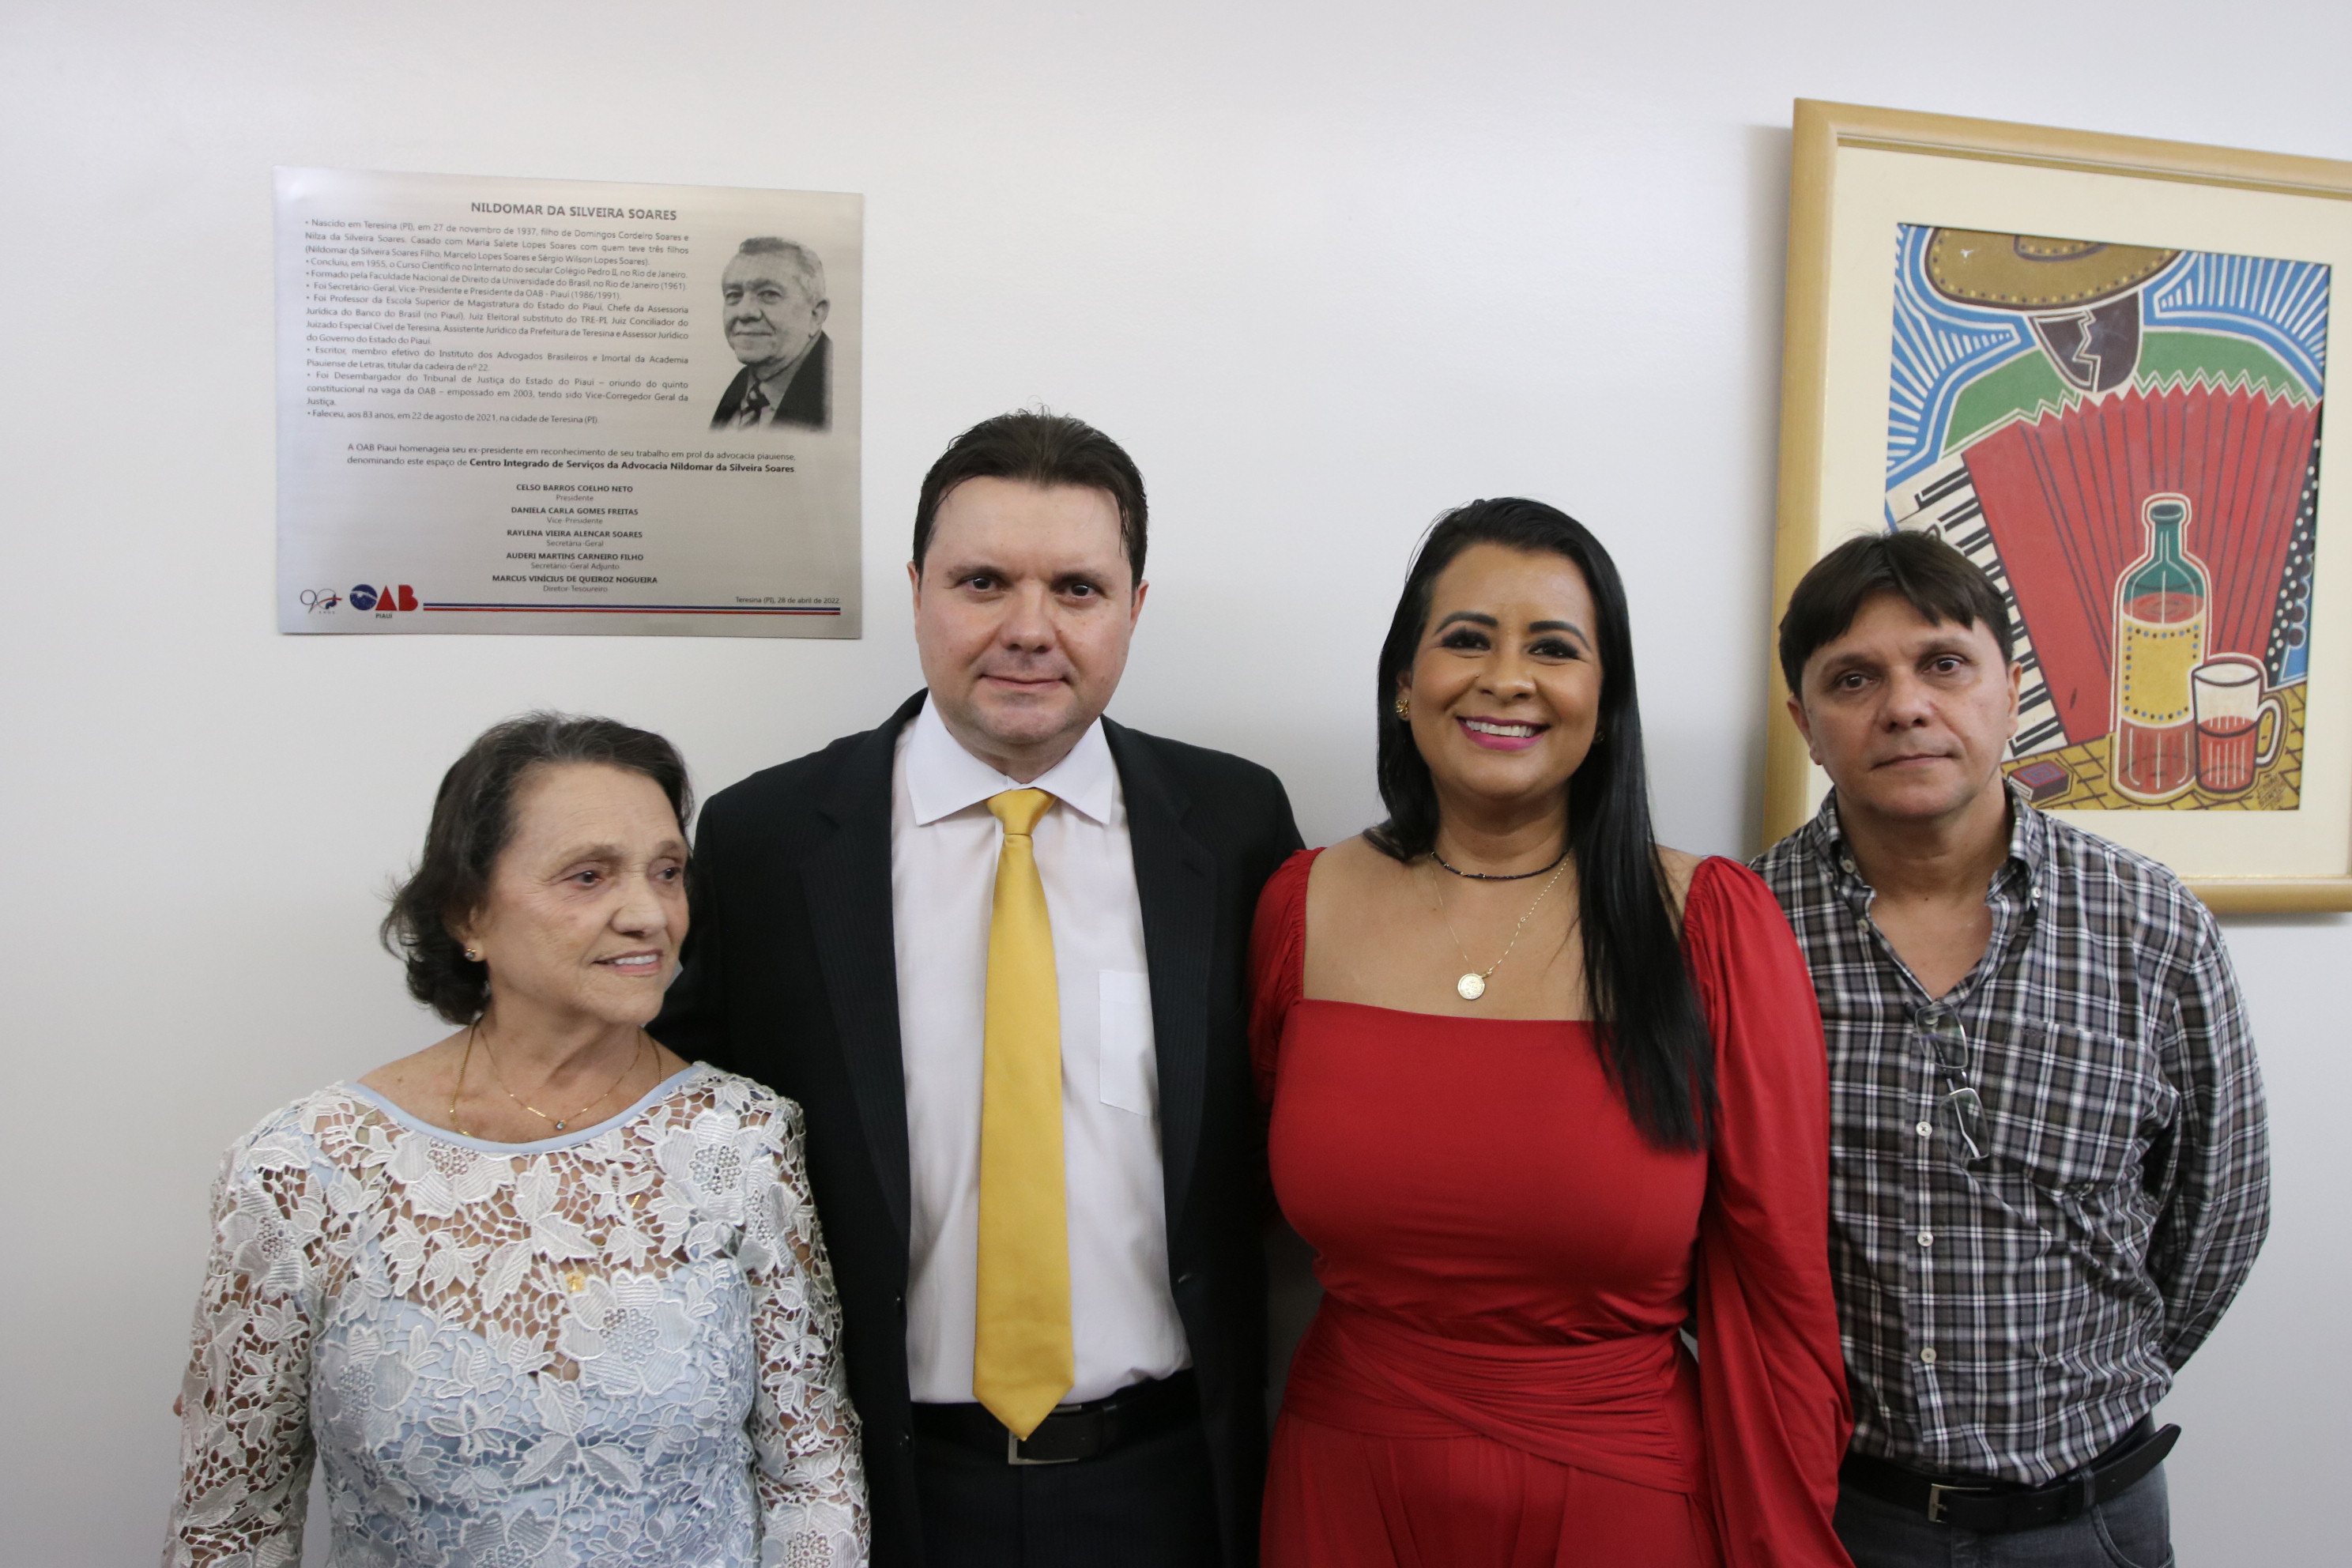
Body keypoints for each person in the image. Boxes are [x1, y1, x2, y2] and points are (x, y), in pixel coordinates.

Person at [654, 411, 1302, 1568]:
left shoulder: (1235, 825)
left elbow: (1284, 1124)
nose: (1029, 629)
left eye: (1078, 589)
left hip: (1167, 1481)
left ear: (1135, 607)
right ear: (917, 592)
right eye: (983, 582)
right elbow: (684, 1144)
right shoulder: (765, 843)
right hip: (878, 1487)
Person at [1250, 497, 1853, 1566]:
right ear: (1404, 682)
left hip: (1623, 1495)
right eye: (1467, 638)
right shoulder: (1300, 906)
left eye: (1555, 648)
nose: (1507, 678)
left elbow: (1781, 1299)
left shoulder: (1710, 922)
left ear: (1606, 702)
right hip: (1341, 1485)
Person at [166, 714, 868, 1568]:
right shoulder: (307, 1166)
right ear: (469, 913)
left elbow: (813, 1479)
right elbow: (230, 1527)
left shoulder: (743, 1140)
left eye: (667, 872)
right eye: (588, 876)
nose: (648, 914)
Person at [1755, 530, 2272, 1566]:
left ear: (2014, 689)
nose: (1905, 706)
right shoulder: (1740, 926)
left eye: (1944, 663)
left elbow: (2221, 1213)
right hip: (1840, 1515)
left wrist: (2091, 1390)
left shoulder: (2149, 924)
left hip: (2092, 1517)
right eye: (1854, 679)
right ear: (1805, 725)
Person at [711, 236, 831, 430]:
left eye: (769, 294)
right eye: (734, 295)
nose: (744, 312)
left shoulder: (838, 393)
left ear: (816, 315)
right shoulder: (738, 391)